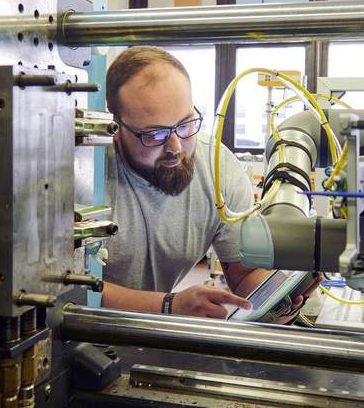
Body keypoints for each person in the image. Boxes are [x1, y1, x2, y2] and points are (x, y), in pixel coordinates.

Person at [101, 46, 315, 320]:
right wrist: (168, 306)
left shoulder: (218, 169)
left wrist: (280, 300)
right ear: (115, 129)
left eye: (186, 124)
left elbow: (244, 274)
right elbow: (61, 288)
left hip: (144, 338)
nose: (176, 147)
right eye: (154, 134)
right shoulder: (84, 174)